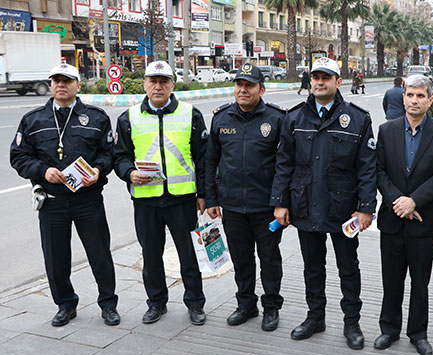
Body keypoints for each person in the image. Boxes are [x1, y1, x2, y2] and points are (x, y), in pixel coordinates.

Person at [271, 57, 376, 350]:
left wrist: (366, 207)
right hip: (304, 204)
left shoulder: (357, 118)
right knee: (312, 267)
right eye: (315, 77)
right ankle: (315, 317)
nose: (319, 82)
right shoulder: (294, 118)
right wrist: (280, 203)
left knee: (348, 267)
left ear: (337, 82)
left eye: (326, 77)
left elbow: (367, 167)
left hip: (343, 209)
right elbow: (284, 164)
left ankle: (351, 322)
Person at [10, 63, 120, 327]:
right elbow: (18, 157)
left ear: (77, 85)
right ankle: (65, 304)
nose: (61, 84)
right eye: (56, 80)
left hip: (88, 200)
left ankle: (108, 304)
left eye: (67, 80)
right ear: (51, 85)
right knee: (55, 257)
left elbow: (109, 153)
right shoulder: (33, 119)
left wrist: (97, 169)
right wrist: (43, 171)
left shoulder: (96, 117)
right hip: (52, 202)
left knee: (99, 253)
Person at [114, 61, 207, 326]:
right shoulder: (129, 117)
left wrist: (203, 195)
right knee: (151, 255)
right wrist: (129, 173)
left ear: (172, 85)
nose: (158, 86)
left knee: (188, 255)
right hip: (146, 200)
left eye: (164, 81)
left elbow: (203, 159)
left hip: (182, 199)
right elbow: (119, 156)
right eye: (153, 81)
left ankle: (195, 303)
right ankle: (156, 303)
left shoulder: (191, 114)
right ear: (144, 84)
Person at [374, 74, 433, 355]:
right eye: (410, 95)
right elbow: (379, 171)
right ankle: (389, 329)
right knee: (391, 279)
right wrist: (398, 200)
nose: (414, 100)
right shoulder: (386, 130)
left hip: (425, 221)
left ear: (431, 100)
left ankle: (418, 333)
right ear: (403, 97)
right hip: (392, 218)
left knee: (420, 282)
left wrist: (414, 201)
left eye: (420, 96)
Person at [205, 63, 286, 331]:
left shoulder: (277, 119)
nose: (243, 90)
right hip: (232, 205)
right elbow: (211, 160)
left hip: (265, 207)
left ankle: (271, 307)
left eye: (249, 85)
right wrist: (211, 198)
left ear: (261, 89)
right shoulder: (221, 118)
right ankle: (246, 304)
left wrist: (281, 202)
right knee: (241, 258)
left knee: (269, 258)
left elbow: (287, 164)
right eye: (239, 84)